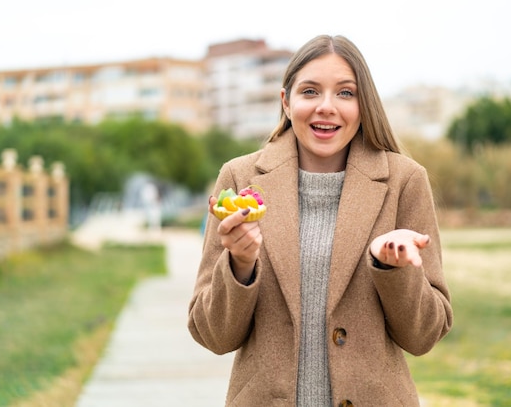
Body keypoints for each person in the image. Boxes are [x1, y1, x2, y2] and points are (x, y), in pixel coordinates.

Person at [188, 34, 453, 407]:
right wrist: (240, 264)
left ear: (364, 104)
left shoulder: (404, 181)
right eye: (310, 92)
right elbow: (213, 335)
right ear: (286, 101)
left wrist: (394, 270)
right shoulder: (239, 178)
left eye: (345, 93)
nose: (326, 107)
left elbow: (425, 335)